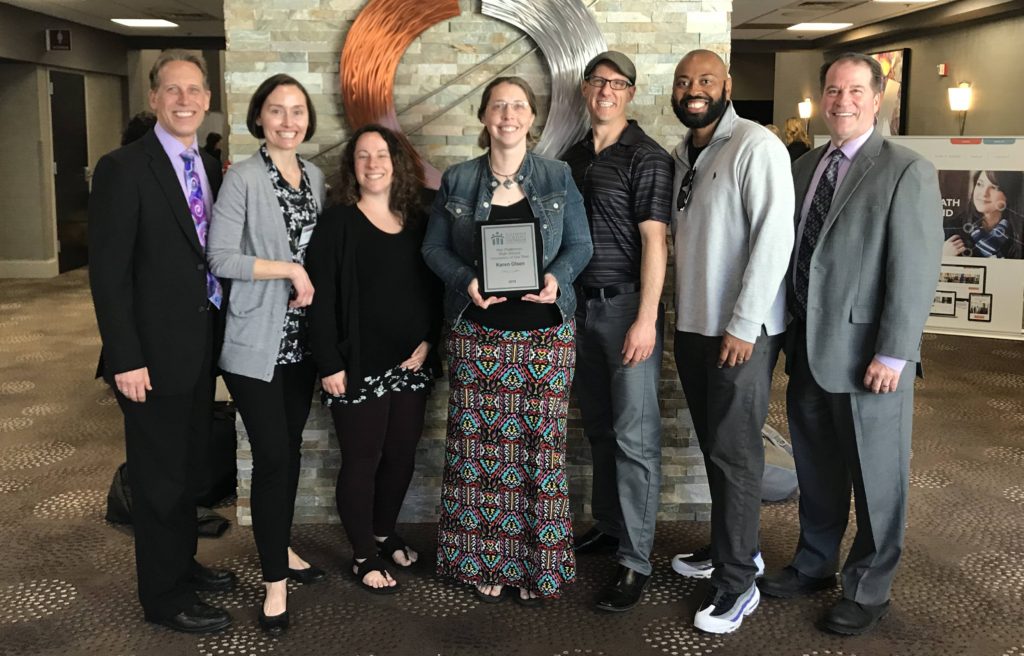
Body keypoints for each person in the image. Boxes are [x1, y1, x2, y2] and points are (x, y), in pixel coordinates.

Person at [758, 53, 943, 636]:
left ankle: (868, 586)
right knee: (817, 469)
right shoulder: (805, 165)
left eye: (855, 91)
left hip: (869, 358)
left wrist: (895, 351)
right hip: (808, 349)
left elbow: (914, 269)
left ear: (877, 97)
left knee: (877, 478)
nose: (842, 101)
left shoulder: (906, 169)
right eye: (833, 90)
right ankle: (814, 563)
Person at [422, 76, 593, 606]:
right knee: (480, 455)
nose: (509, 114)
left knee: (537, 454)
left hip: (545, 338)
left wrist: (557, 277)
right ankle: (483, 561)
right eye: (499, 105)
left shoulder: (558, 175)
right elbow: (432, 248)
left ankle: (535, 567)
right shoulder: (457, 179)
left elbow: (581, 243)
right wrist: (465, 281)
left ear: (531, 117)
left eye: (518, 106)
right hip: (479, 337)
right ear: (483, 116)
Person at [88, 49, 235, 634]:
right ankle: (164, 595)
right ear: (153, 99)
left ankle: (184, 565)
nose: (184, 100)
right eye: (172, 90)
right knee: (157, 480)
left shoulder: (207, 165)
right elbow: (108, 273)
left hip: (198, 348)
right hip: (148, 357)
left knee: (186, 469)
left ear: (206, 98)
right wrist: (125, 357)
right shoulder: (124, 167)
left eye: (194, 90)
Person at [665, 50, 795, 634]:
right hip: (695, 326)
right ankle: (728, 548)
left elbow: (774, 239)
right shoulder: (680, 155)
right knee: (717, 449)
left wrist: (744, 324)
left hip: (739, 333)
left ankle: (738, 582)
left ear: (728, 87)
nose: (695, 89)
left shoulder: (755, 146)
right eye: (685, 81)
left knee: (736, 456)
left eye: (706, 80)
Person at [206, 74, 327, 635]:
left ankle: (280, 547)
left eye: (297, 111)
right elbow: (221, 257)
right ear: (259, 118)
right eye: (276, 111)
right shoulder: (243, 178)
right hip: (255, 346)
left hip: (302, 347)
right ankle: (274, 580)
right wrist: (290, 269)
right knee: (273, 457)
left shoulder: (318, 178)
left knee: (292, 451)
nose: (287, 120)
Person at [305, 124, 442, 595]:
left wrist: (429, 341)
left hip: (411, 365)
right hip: (357, 366)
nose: (372, 163)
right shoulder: (337, 223)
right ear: (352, 167)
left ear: (396, 161)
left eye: (380, 154)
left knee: (402, 455)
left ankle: (384, 530)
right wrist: (329, 365)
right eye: (362, 156)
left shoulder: (418, 219)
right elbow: (319, 301)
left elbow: (432, 290)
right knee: (363, 460)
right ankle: (363, 554)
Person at [561, 51, 674, 612]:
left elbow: (656, 242)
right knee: (600, 430)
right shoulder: (572, 157)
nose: (606, 91)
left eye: (618, 84)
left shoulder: (647, 157)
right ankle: (609, 526)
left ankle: (634, 562)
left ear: (630, 93)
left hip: (626, 307)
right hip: (576, 311)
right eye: (598, 82)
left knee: (634, 439)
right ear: (585, 89)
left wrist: (647, 318)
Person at [943, 170, 1023, 258]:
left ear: (1010, 193)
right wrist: (944, 257)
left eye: (995, 187)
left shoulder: (1018, 235)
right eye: (980, 184)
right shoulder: (950, 228)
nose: (984, 193)